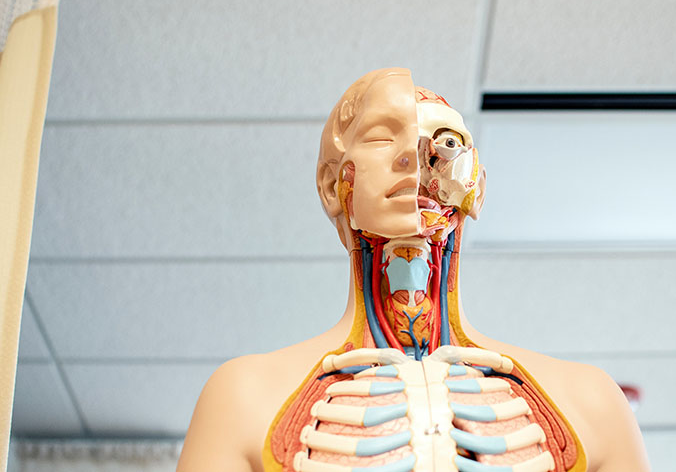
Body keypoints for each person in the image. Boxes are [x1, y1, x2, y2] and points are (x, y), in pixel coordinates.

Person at [177, 68, 649, 472]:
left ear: (476, 188)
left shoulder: (592, 403)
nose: (419, 158)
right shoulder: (241, 399)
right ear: (331, 185)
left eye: (446, 143)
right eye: (384, 136)